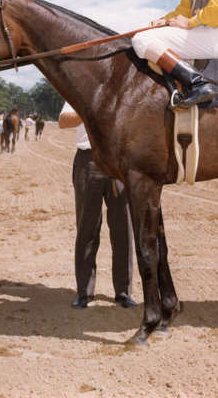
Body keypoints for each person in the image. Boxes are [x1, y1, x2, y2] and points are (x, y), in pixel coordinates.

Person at [58, 101, 136, 309]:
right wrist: (91, 108)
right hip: (88, 160)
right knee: (87, 228)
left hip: (118, 161)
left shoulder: (124, 91)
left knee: (123, 229)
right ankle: (84, 292)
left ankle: (123, 292)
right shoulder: (80, 91)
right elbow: (63, 122)